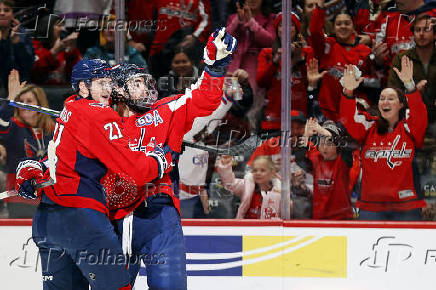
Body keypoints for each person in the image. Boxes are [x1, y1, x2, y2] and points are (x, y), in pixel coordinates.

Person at [15, 59, 172, 290]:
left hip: (47, 222)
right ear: (82, 87)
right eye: (101, 83)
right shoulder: (98, 114)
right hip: (82, 220)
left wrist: (33, 170)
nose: (107, 89)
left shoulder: (69, 108)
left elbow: (57, 158)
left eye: (109, 82)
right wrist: (159, 161)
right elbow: (133, 170)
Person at [108, 28, 237, 289]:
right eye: (136, 83)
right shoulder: (103, 123)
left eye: (145, 81)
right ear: (119, 92)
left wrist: (214, 67)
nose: (145, 87)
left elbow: (204, 98)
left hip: (159, 214)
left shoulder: (166, 110)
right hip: (112, 217)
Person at [340, 56, 427, 220]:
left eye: (391, 98)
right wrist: (348, 91)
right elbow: (348, 119)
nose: (385, 101)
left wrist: (409, 84)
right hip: (371, 206)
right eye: (382, 98)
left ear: (401, 105)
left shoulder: (409, 128)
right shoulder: (368, 127)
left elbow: (420, 115)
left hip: (406, 206)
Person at [0, 70, 54, 218]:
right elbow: (1, 124)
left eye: (29, 101)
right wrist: (11, 98)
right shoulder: (13, 127)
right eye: (21, 101)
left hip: (50, 197)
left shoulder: (53, 130)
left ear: (40, 104)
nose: (24, 105)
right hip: (20, 197)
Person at [303, 118, 354, 220]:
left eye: (329, 143)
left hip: (342, 218)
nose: (325, 148)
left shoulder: (343, 160)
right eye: (322, 143)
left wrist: (322, 131)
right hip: (319, 218)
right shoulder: (315, 157)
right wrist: (306, 135)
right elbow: (301, 152)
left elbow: (346, 147)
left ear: (337, 146)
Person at [216, 154, 282, 219]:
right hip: (246, 227)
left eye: (262, 170)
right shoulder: (246, 186)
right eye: (255, 170)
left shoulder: (279, 191)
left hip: (270, 229)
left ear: (271, 172)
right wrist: (225, 166)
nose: (258, 173)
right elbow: (230, 184)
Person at [31, 14, 81, 85]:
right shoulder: (34, 46)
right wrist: (54, 52)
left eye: (63, 25)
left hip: (62, 91)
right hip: (41, 91)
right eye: (59, 25)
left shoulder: (63, 49)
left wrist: (72, 52)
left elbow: (76, 76)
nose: (62, 29)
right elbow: (35, 73)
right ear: (47, 27)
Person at [0, 0, 34, 88]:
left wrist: (16, 42)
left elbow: (27, 65)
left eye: (6, 10)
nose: (2, 13)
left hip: (19, 84)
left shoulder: (23, 34)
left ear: (13, 15)